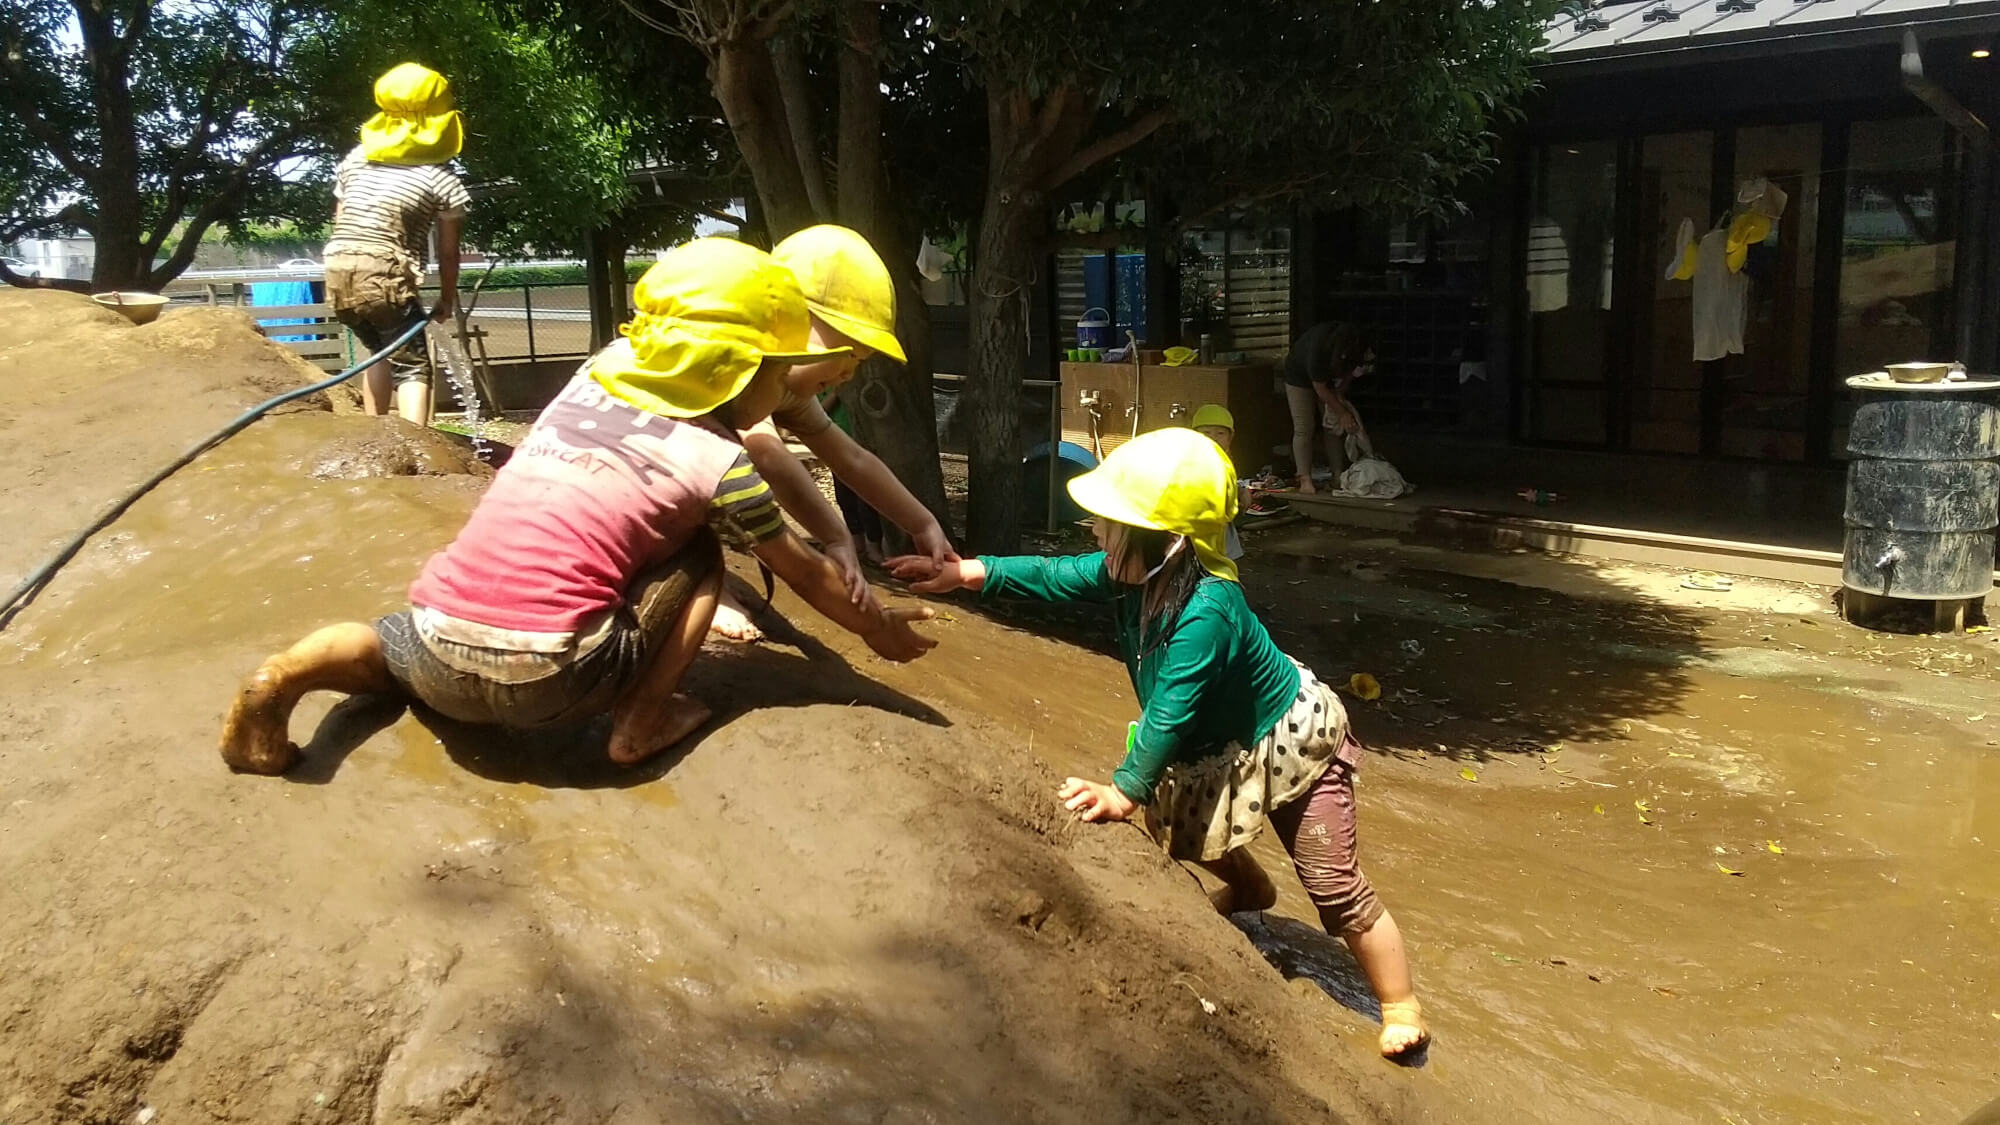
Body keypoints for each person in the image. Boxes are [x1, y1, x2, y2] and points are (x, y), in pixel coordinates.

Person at [219, 239, 935, 777]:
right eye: (778, 371)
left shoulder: (590, 379)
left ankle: (284, 675)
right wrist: (878, 633)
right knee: (700, 551)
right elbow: (806, 575)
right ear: (741, 368)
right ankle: (644, 718)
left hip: (439, 654)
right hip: (552, 681)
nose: (786, 386)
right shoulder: (722, 464)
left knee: (393, 639)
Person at [887, 428, 1427, 1059]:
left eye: (1108, 523)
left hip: (1292, 742)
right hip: (1220, 743)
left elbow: (1171, 709)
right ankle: (1253, 890)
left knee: (1334, 885)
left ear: (1167, 544)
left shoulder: (1208, 611)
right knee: (1179, 827)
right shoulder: (1131, 575)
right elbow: (1055, 574)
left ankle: (1399, 1003)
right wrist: (970, 572)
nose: (1093, 531)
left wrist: (1122, 789)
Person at [706, 224, 957, 643]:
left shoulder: (787, 387)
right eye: (847, 353)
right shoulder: (744, 367)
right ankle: (701, 584)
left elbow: (851, 459)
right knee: (721, 480)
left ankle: (704, 577)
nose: (849, 374)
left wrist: (921, 521)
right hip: (621, 483)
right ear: (792, 317)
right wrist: (836, 536)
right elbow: (765, 451)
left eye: (860, 361)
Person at [322, 62, 470, 426]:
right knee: (413, 366)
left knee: (378, 352)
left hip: (337, 270)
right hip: (384, 274)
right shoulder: (442, 179)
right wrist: (446, 299)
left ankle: (375, 434)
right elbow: (449, 253)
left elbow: (340, 225)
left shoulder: (355, 160)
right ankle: (415, 445)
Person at [1282, 322, 1374, 493]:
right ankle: (1304, 479)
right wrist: (1342, 412)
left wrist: (1339, 396)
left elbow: (1348, 376)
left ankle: (1337, 475)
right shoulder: (1318, 351)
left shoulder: (1357, 349)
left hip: (1328, 382)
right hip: (1298, 377)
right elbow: (1320, 388)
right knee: (1304, 426)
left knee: (1332, 426)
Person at [1189, 403, 1250, 562]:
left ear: (1231, 437)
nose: (1213, 438)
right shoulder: (1189, 460)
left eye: (1220, 433)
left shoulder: (1227, 460)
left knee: (1224, 563)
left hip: (1222, 527)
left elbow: (1231, 483)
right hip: (1195, 525)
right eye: (1206, 433)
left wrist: (1242, 491)